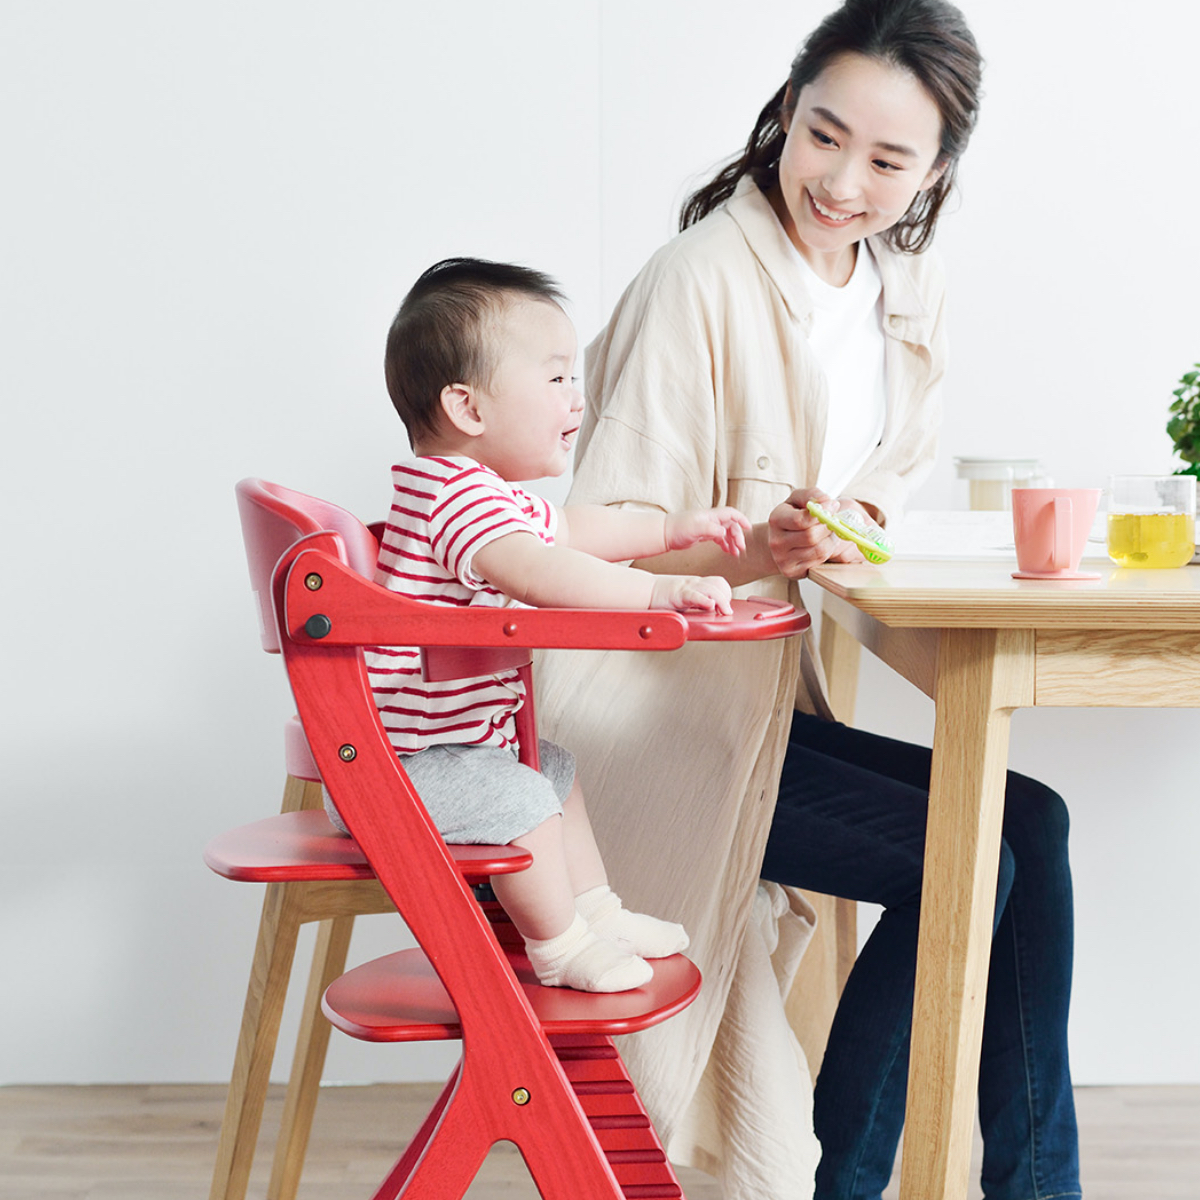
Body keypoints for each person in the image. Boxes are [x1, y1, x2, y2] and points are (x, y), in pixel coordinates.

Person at [539, 1, 1081, 1197]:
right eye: (822, 134)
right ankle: (854, 1181)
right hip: (649, 725)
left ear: (935, 171)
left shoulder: (899, 291)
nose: (841, 181)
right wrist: (753, 548)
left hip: (762, 709)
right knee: (973, 858)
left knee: (1023, 827)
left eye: (887, 160)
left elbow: (874, 475)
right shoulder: (699, 283)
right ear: (785, 111)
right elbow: (591, 548)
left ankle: (1041, 1188)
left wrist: (849, 520)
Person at [324, 256, 752, 994]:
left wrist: (673, 528)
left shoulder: (475, 490)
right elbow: (539, 570)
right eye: (555, 378)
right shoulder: (456, 498)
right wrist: (657, 595)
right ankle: (559, 946)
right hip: (395, 771)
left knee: (549, 770)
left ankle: (596, 910)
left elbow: (574, 530)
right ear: (468, 409)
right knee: (522, 798)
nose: (576, 397)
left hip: (431, 756)